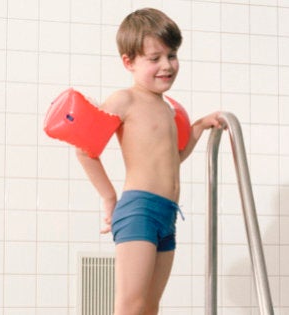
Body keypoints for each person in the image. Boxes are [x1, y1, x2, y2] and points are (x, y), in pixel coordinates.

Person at [76, 8, 221, 315]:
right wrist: (108, 197)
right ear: (129, 61)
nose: (166, 66)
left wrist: (197, 127)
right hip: (139, 210)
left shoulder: (168, 108)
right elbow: (85, 149)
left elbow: (172, 159)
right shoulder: (124, 100)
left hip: (167, 214)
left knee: (150, 307)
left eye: (172, 55)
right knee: (131, 305)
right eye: (154, 59)